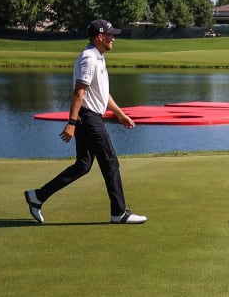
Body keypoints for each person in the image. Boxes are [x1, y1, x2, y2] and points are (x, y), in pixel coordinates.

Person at [24, 19, 147, 225]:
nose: (113, 39)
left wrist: (119, 114)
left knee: (83, 165)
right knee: (110, 162)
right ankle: (119, 212)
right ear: (100, 37)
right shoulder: (88, 59)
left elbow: (103, 94)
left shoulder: (98, 58)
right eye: (110, 35)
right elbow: (79, 92)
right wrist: (71, 122)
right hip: (88, 117)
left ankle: (38, 196)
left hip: (90, 116)